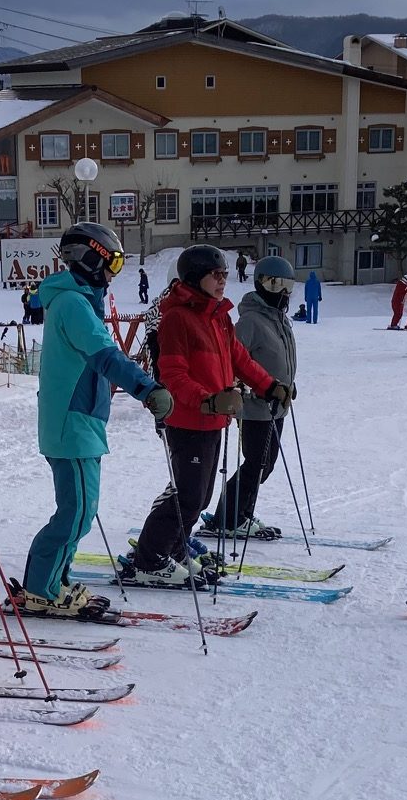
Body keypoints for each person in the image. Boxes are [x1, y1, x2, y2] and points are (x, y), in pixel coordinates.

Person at [13, 223, 171, 618]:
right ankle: (42, 589)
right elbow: (106, 356)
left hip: (80, 422)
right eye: (112, 262)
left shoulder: (79, 302)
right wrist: (147, 389)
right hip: (72, 423)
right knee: (75, 513)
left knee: (79, 512)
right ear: (89, 259)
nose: (114, 272)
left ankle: (54, 581)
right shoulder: (72, 305)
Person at [126, 246, 287, 586]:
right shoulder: (177, 318)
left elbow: (241, 359)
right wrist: (209, 401)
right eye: (216, 275)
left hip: (213, 422)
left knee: (199, 497)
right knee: (187, 496)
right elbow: (173, 375)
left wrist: (270, 385)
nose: (223, 281)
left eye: (225, 275)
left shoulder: (218, 318)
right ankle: (150, 557)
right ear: (195, 277)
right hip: (186, 421)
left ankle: (171, 549)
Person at [202, 254, 297, 540]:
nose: (282, 292)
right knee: (256, 464)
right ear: (260, 284)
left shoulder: (280, 320)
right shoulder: (251, 322)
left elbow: (280, 360)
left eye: (288, 285)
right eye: (275, 283)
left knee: (265, 465)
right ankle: (227, 517)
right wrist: (254, 390)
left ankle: (241, 512)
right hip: (256, 407)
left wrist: (288, 385)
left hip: (277, 405)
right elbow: (233, 365)